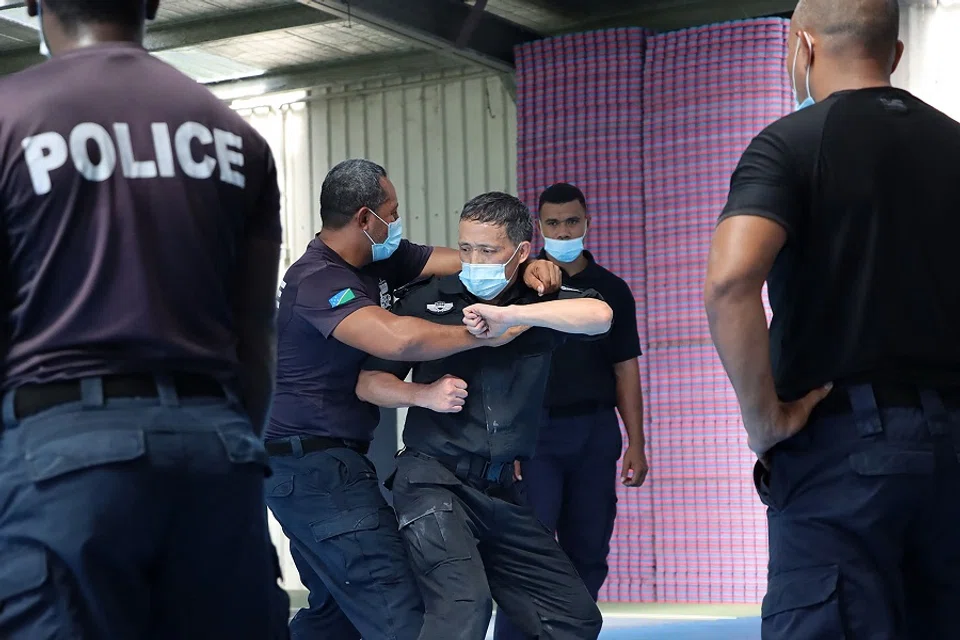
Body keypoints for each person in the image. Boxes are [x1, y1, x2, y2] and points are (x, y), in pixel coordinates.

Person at [0, 1, 289, 638]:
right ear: (154, 1)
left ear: (31, 3)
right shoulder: (237, 138)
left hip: (63, 462)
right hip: (217, 453)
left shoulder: (10, 117)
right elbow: (254, 338)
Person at [705, 0, 960, 637]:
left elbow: (732, 281)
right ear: (894, 54)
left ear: (803, 47)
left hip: (844, 449)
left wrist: (766, 420)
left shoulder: (791, 144)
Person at [264, 160, 561, 640]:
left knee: (334, 615)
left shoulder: (380, 259)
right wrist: (486, 335)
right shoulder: (317, 279)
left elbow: (464, 262)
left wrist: (525, 265)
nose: (397, 221)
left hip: (327, 462)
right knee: (401, 612)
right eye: (392, 211)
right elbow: (397, 341)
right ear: (365, 218)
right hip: (312, 469)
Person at [357, 191, 611, 640]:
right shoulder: (427, 300)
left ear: (520, 253)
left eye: (488, 251)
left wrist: (511, 315)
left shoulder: (538, 302)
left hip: (501, 490)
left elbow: (600, 315)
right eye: (467, 247)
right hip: (432, 481)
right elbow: (369, 382)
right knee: (463, 608)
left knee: (575, 617)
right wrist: (423, 394)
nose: (474, 259)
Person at [493, 183, 647, 640]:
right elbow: (502, 371)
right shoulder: (519, 289)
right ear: (539, 228)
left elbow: (626, 370)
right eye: (554, 223)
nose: (563, 230)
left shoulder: (612, 290)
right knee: (531, 554)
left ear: (587, 224)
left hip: (596, 433)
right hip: (535, 436)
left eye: (572, 222)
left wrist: (636, 442)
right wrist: (506, 442)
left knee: (589, 552)